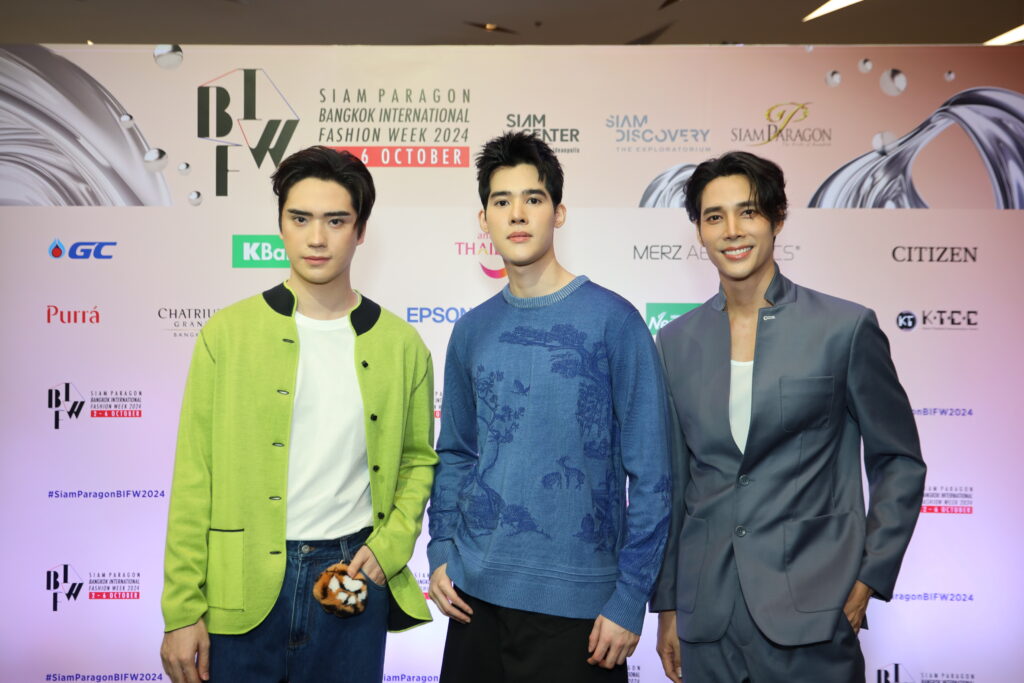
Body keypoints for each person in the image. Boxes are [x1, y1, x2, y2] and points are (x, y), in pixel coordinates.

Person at [159, 146, 437, 683]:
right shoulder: (227, 335)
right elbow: (195, 478)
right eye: (301, 219)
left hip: (350, 576)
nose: (317, 238)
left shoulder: (401, 345)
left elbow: (417, 460)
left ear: (360, 231)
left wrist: (390, 545)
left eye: (336, 221)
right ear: (281, 225)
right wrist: (182, 609)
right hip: (241, 581)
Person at [650, 151, 926, 682]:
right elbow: (675, 484)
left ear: (777, 219)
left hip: (815, 612)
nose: (732, 230)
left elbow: (899, 461)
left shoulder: (844, 328)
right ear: (699, 231)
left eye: (748, 212)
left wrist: (869, 577)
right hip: (708, 617)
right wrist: (668, 604)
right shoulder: (676, 342)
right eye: (714, 217)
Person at [426, 131, 672, 682]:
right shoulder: (471, 331)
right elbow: (457, 452)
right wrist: (440, 547)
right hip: (475, 599)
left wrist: (630, 596)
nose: (517, 214)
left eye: (533, 199)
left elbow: (653, 475)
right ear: (484, 218)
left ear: (558, 212)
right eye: (501, 201)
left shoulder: (615, 321)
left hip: (582, 611)